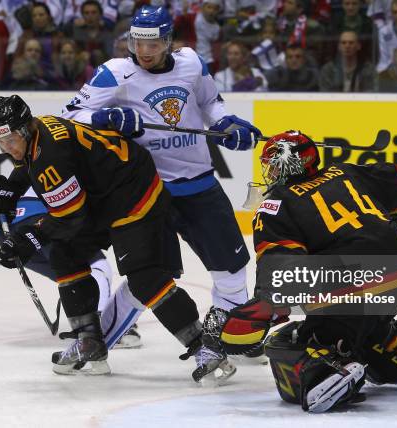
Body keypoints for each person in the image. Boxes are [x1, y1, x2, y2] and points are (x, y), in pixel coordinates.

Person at [60, 5, 263, 383]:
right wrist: (105, 119)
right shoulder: (115, 73)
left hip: (200, 183)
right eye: (137, 41)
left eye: (153, 43)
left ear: (169, 41)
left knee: (232, 271)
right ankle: (95, 341)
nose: (144, 51)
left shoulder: (191, 62)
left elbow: (208, 103)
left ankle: (230, 337)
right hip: (146, 194)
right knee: (147, 279)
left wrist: (225, 123)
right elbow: (68, 117)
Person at [0, 95, 203, 376]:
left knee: (144, 277)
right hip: (104, 196)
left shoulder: (50, 155)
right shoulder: (39, 132)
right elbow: (30, 166)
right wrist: (9, 191)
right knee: (65, 253)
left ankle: (204, 346)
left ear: (25, 129)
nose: (6, 148)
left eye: (10, 140)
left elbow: (69, 218)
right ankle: (89, 342)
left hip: (133, 193)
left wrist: (31, 239)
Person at [217, 130, 397, 412]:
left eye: (271, 164)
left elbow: (281, 265)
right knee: (367, 317)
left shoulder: (275, 204)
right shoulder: (347, 172)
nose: (269, 171)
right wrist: (392, 214)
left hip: (351, 287)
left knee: (310, 336)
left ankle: (332, 368)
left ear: (286, 165)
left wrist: (267, 303)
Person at [0, 186, 141, 349]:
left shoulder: (26, 172)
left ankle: (91, 324)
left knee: (75, 276)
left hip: (5, 232)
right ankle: (101, 329)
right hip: (41, 218)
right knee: (97, 267)